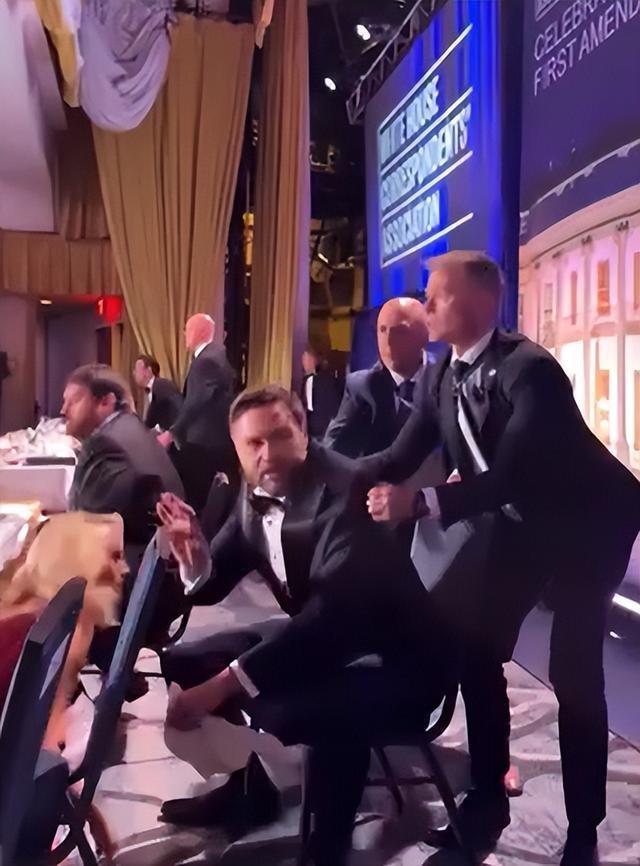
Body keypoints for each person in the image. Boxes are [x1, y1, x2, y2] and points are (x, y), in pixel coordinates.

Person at [362, 251, 640, 866]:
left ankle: (584, 829)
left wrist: (420, 502)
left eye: (437, 295)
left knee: (573, 673)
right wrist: (312, 468)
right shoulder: (444, 374)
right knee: (478, 647)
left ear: (482, 301)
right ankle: (487, 799)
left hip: (589, 525)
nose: (425, 307)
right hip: (525, 521)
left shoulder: (531, 370)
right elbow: (396, 457)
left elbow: (512, 475)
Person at [157, 386, 453, 866]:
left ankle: (326, 850)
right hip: (333, 643)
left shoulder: (347, 490)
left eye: (279, 436)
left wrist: (221, 686)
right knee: (190, 660)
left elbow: (329, 620)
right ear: (237, 449)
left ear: (304, 431)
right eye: (254, 443)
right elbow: (216, 578)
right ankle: (248, 795)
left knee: (319, 708)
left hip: (400, 661)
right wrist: (194, 556)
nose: (267, 454)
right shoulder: (256, 488)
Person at [63, 364, 186, 672]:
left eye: (73, 401)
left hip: (139, 589)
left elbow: (81, 520)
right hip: (161, 577)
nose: (63, 410)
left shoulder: (106, 444)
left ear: (105, 402)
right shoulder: (128, 428)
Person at [325, 297, 429, 458]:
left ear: (424, 334)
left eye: (399, 331)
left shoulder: (447, 378)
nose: (388, 341)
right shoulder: (361, 387)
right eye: (382, 330)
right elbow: (333, 453)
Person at [157, 314, 235, 512]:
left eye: (187, 329)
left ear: (198, 331)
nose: (184, 334)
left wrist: (172, 433)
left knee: (199, 501)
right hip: (214, 441)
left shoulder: (206, 361)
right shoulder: (216, 356)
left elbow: (197, 401)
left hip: (203, 444)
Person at [132, 354, 182, 432]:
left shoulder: (163, 386)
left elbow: (178, 410)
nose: (134, 373)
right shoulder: (153, 390)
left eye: (137, 369)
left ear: (149, 371)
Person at [300, 346, 341, 439]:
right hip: (333, 427)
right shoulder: (333, 379)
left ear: (312, 360)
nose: (303, 363)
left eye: (305, 359)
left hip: (317, 430)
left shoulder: (310, 380)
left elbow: (308, 407)